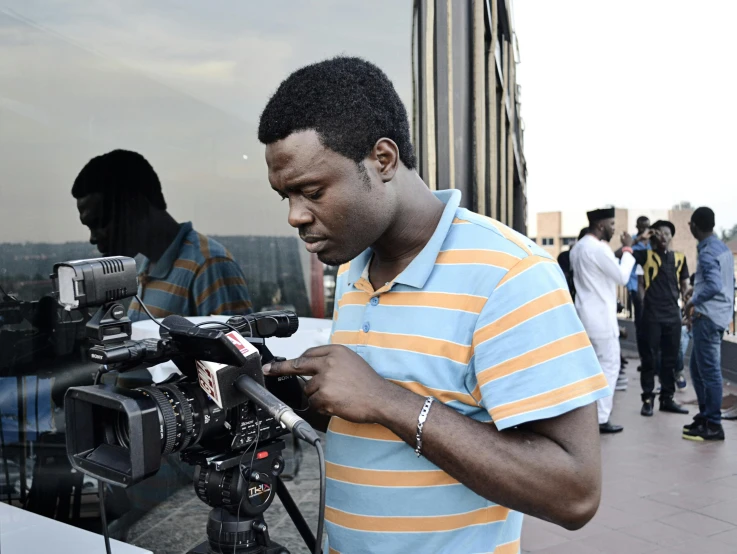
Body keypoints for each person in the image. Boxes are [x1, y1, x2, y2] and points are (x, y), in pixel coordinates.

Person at [257, 56, 609, 553]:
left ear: (382, 159)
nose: (295, 216)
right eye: (284, 197)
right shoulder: (355, 265)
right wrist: (304, 397)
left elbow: (575, 493)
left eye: (311, 191)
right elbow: (376, 428)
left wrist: (386, 399)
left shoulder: (511, 275)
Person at [72, 149, 253, 320]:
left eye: (99, 223)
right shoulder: (148, 266)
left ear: (136, 207)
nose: (93, 238)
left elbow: (237, 349)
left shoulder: (208, 266)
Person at [570, 208, 635, 434]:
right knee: (609, 368)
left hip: (583, 318)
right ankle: (600, 419)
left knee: (588, 372)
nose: (614, 229)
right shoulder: (599, 249)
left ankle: (584, 419)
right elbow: (622, 277)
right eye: (612, 224)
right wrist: (627, 249)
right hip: (601, 322)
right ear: (600, 226)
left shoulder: (577, 248)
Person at [683, 207, 735, 441]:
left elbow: (714, 285)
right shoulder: (720, 247)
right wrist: (698, 287)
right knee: (696, 368)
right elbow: (720, 281)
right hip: (719, 314)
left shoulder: (706, 252)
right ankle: (706, 415)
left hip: (709, 316)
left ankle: (713, 423)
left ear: (694, 226)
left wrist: (692, 300)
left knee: (710, 372)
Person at [628, 221, 690, 417]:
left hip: (673, 315)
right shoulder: (645, 255)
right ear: (654, 236)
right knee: (649, 359)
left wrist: (690, 302)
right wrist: (640, 238)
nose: (664, 236)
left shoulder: (680, 258)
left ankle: (667, 399)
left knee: (670, 360)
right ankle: (647, 400)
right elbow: (621, 254)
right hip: (652, 315)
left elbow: (685, 286)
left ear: (671, 236)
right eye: (660, 233)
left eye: (667, 233)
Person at [627, 216, 650, 365]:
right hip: (635, 286)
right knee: (641, 323)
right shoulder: (633, 241)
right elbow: (625, 253)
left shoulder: (652, 242)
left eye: (646, 227)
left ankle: (651, 358)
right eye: (641, 227)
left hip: (651, 288)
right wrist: (637, 240)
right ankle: (644, 358)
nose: (643, 230)